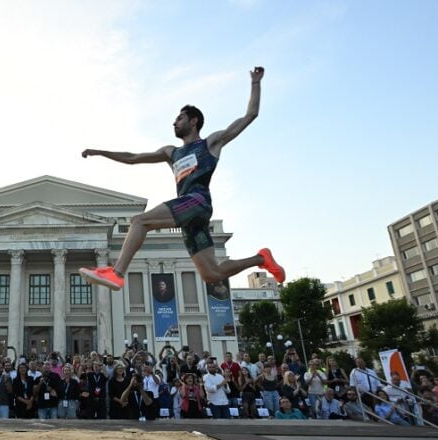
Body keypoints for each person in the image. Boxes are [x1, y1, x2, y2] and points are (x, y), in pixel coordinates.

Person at [78, 67, 285, 292]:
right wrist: (100, 152)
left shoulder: (210, 143)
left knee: (139, 221)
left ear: (193, 121)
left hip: (197, 201)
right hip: (191, 217)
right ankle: (261, 258)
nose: (174, 123)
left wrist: (255, 83)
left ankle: (116, 273)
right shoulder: (171, 153)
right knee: (211, 273)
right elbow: (133, 158)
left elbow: (249, 116)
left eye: (179, 118)